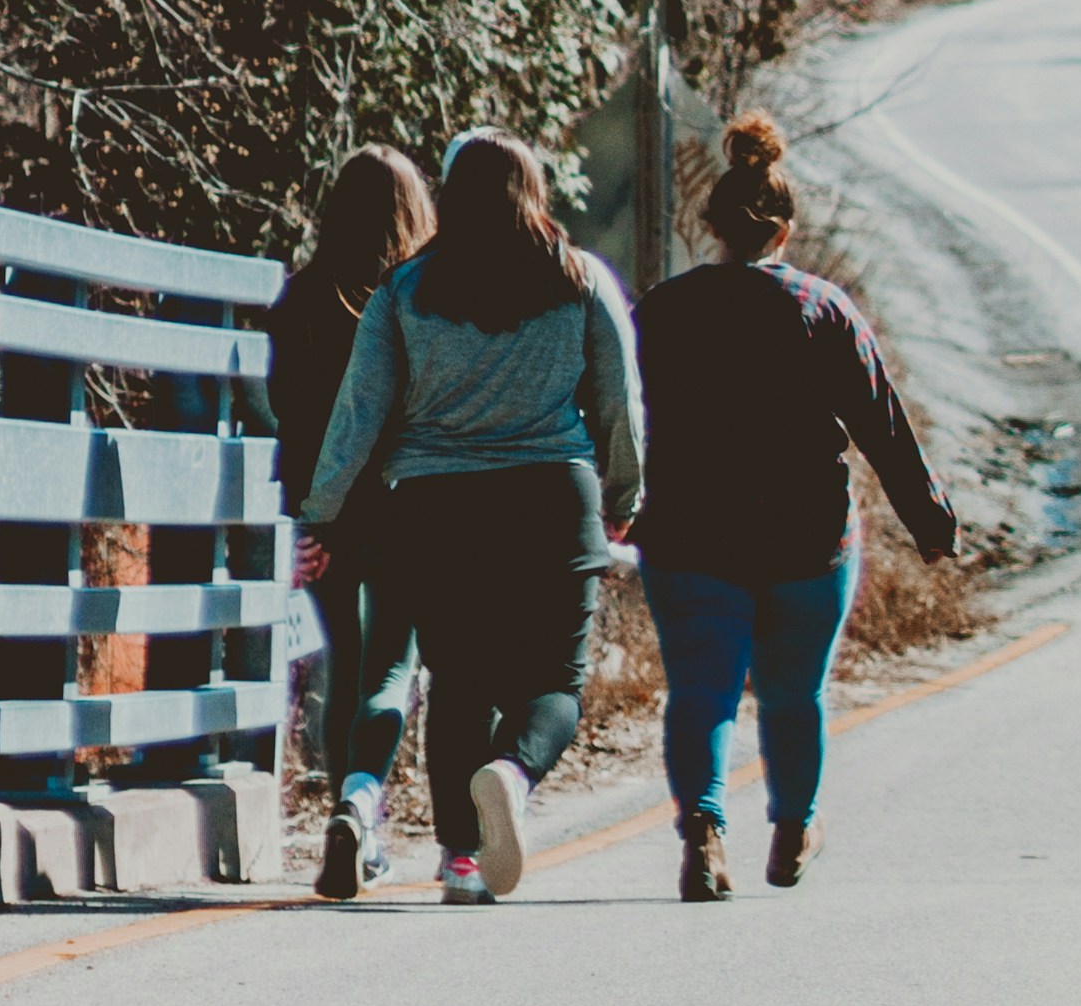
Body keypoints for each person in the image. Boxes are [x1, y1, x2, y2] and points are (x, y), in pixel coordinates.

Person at [302, 126, 642, 901]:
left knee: (455, 681)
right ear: (535, 189)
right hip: (553, 497)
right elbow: (620, 401)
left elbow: (359, 411)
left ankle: (460, 860)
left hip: (434, 506)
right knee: (554, 682)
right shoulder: (581, 279)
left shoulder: (403, 289)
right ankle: (513, 771)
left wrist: (321, 512)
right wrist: (624, 495)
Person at [635, 114, 957, 902]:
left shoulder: (664, 309)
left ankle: (706, 830)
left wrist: (614, 500)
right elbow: (882, 421)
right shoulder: (823, 308)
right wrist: (930, 517)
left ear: (707, 224)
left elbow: (615, 411)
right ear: (786, 226)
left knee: (703, 691)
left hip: (690, 534)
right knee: (792, 691)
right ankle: (792, 826)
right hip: (807, 537)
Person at [262, 141, 437, 900]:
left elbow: (290, 413)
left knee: (343, 656)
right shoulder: (423, 299)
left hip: (326, 510)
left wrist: (305, 518)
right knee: (391, 667)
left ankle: (349, 813)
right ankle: (358, 807)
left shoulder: (299, 299)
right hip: (406, 507)